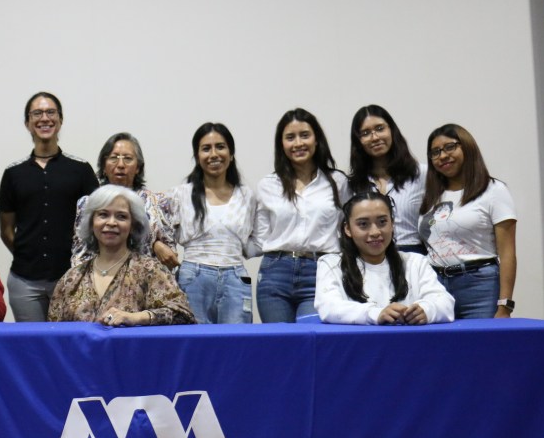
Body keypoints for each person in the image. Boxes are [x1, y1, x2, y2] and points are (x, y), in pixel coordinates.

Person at [0, 91, 99, 321]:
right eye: (37, 113)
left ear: (60, 120)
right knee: (32, 341)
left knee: (69, 341)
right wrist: (27, 254)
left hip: (72, 277)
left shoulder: (81, 169)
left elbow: (96, 221)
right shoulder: (13, 173)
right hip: (24, 280)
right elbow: (6, 230)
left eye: (51, 112)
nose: (45, 118)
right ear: (27, 123)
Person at [49, 185, 195, 325]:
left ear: (133, 225)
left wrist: (137, 318)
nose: (111, 222)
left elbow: (183, 315)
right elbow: (53, 331)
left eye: (121, 217)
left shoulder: (150, 270)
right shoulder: (72, 278)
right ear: (91, 223)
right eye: (103, 215)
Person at [255, 108, 349, 323]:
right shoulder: (268, 185)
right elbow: (261, 236)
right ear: (281, 144)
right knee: (279, 341)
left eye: (304, 135)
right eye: (290, 137)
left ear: (317, 139)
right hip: (275, 272)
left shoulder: (338, 182)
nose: (298, 143)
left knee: (311, 336)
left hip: (321, 270)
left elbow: (347, 229)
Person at [418, 124, 517, 319]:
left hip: (479, 286)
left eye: (450, 147)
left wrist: (505, 306)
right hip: (435, 287)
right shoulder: (430, 195)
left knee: (481, 339)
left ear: (467, 147)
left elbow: (507, 253)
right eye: (435, 152)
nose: (442, 156)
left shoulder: (494, 190)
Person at [315, 191, 454, 325]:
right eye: (363, 224)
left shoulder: (415, 262)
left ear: (392, 224)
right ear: (348, 229)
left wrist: (426, 310)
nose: (375, 232)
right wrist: (376, 314)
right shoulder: (331, 264)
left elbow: (444, 302)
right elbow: (329, 307)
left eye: (382, 222)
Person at [169, 123, 257, 324]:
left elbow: (257, 240)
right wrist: (160, 246)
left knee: (237, 340)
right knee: (194, 339)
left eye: (220, 147)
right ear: (197, 156)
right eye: (206, 149)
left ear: (231, 154)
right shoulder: (181, 194)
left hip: (236, 277)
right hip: (193, 276)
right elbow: (158, 230)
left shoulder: (247, 196)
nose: (214, 154)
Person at [71, 132, 176, 267]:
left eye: (128, 158)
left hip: (145, 276)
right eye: (113, 158)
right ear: (103, 167)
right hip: (100, 274)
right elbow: (80, 251)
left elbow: (170, 254)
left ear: (138, 167)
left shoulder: (157, 203)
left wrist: (156, 244)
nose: (120, 164)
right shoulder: (88, 203)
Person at [347, 105, 426, 253]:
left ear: (392, 130)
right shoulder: (352, 184)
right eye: (365, 133)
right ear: (358, 141)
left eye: (379, 128)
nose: (375, 137)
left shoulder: (421, 174)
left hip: (414, 254)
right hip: (370, 257)